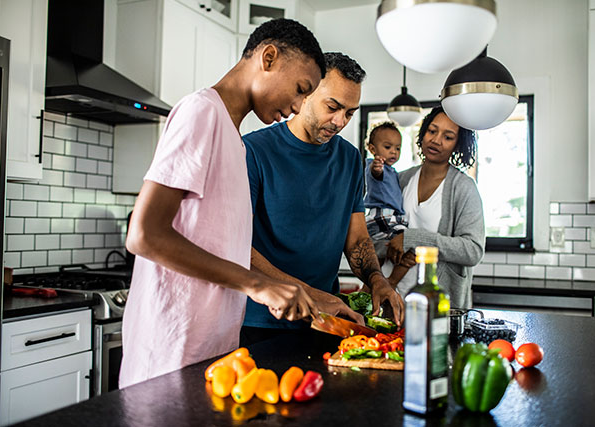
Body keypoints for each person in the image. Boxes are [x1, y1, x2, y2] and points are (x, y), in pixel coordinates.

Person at [120, 19, 326, 388]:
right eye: (300, 89)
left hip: (211, 350)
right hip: (171, 350)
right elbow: (144, 235)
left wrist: (273, 286)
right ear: (268, 57)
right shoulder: (202, 112)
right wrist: (256, 285)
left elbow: (220, 245)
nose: (297, 107)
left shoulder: (236, 140)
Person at [241, 52, 404, 346]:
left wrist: (377, 280)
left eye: (350, 112)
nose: (340, 121)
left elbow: (356, 239)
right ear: (305, 93)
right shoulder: (253, 151)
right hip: (262, 322)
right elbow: (238, 247)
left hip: (329, 322)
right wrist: (311, 294)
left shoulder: (351, 159)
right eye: (333, 107)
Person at [385, 106, 485, 309]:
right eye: (432, 131)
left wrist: (413, 239)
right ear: (423, 133)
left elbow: (472, 250)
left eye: (448, 137)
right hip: (393, 299)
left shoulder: (463, 187)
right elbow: (381, 228)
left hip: (437, 307)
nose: (436, 140)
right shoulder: (402, 179)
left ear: (458, 145)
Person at [363, 122, 410, 286]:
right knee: (409, 246)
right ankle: (388, 283)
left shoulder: (393, 171)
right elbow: (376, 174)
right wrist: (377, 167)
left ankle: (377, 283)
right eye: (388, 147)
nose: (393, 152)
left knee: (383, 253)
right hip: (382, 214)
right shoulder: (374, 165)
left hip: (390, 216)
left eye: (398, 148)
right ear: (373, 149)